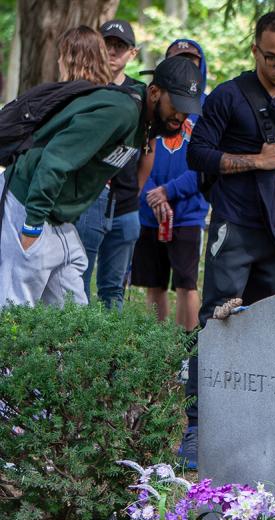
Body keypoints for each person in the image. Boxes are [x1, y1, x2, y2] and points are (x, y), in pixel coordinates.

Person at [181, 11, 275, 468]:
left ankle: (259, 421)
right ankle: (197, 425)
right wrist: (254, 160)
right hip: (235, 225)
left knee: (268, 324)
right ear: (255, 51)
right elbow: (196, 153)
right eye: (272, 57)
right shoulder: (227, 96)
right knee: (217, 319)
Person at [0, 41, 203, 308]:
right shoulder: (120, 111)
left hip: (58, 217)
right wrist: (32, 224)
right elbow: (55, 159)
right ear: (154, 92)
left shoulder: (145, 122)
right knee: (16, 308)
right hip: (28, 204)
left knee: (74, 315)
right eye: (176, 104)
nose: (182, 114)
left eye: (188, 106)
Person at [132, 39, 209, 332]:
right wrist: (153, 193)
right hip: (149, 209)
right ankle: (157, 351)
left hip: (188, 212)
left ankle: (186, 351)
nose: (187, 63)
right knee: (154, 283)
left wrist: (169, 191)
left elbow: (204, 165)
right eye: (179, 58)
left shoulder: (206, 107)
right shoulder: (151, 107)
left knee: (186, 284)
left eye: (193, 59)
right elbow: (139, 155)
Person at [74, 20, 147, 310]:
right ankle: (74, 350)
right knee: (77, 283)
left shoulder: (141, 93)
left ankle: (110, 354)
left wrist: (135, 190)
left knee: (113, 289)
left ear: (133, 53)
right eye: (107, 45)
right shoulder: (84, 89)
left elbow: (148, 149)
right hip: (87, 202)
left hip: (126, 205)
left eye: (121, 46)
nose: (113, 51)